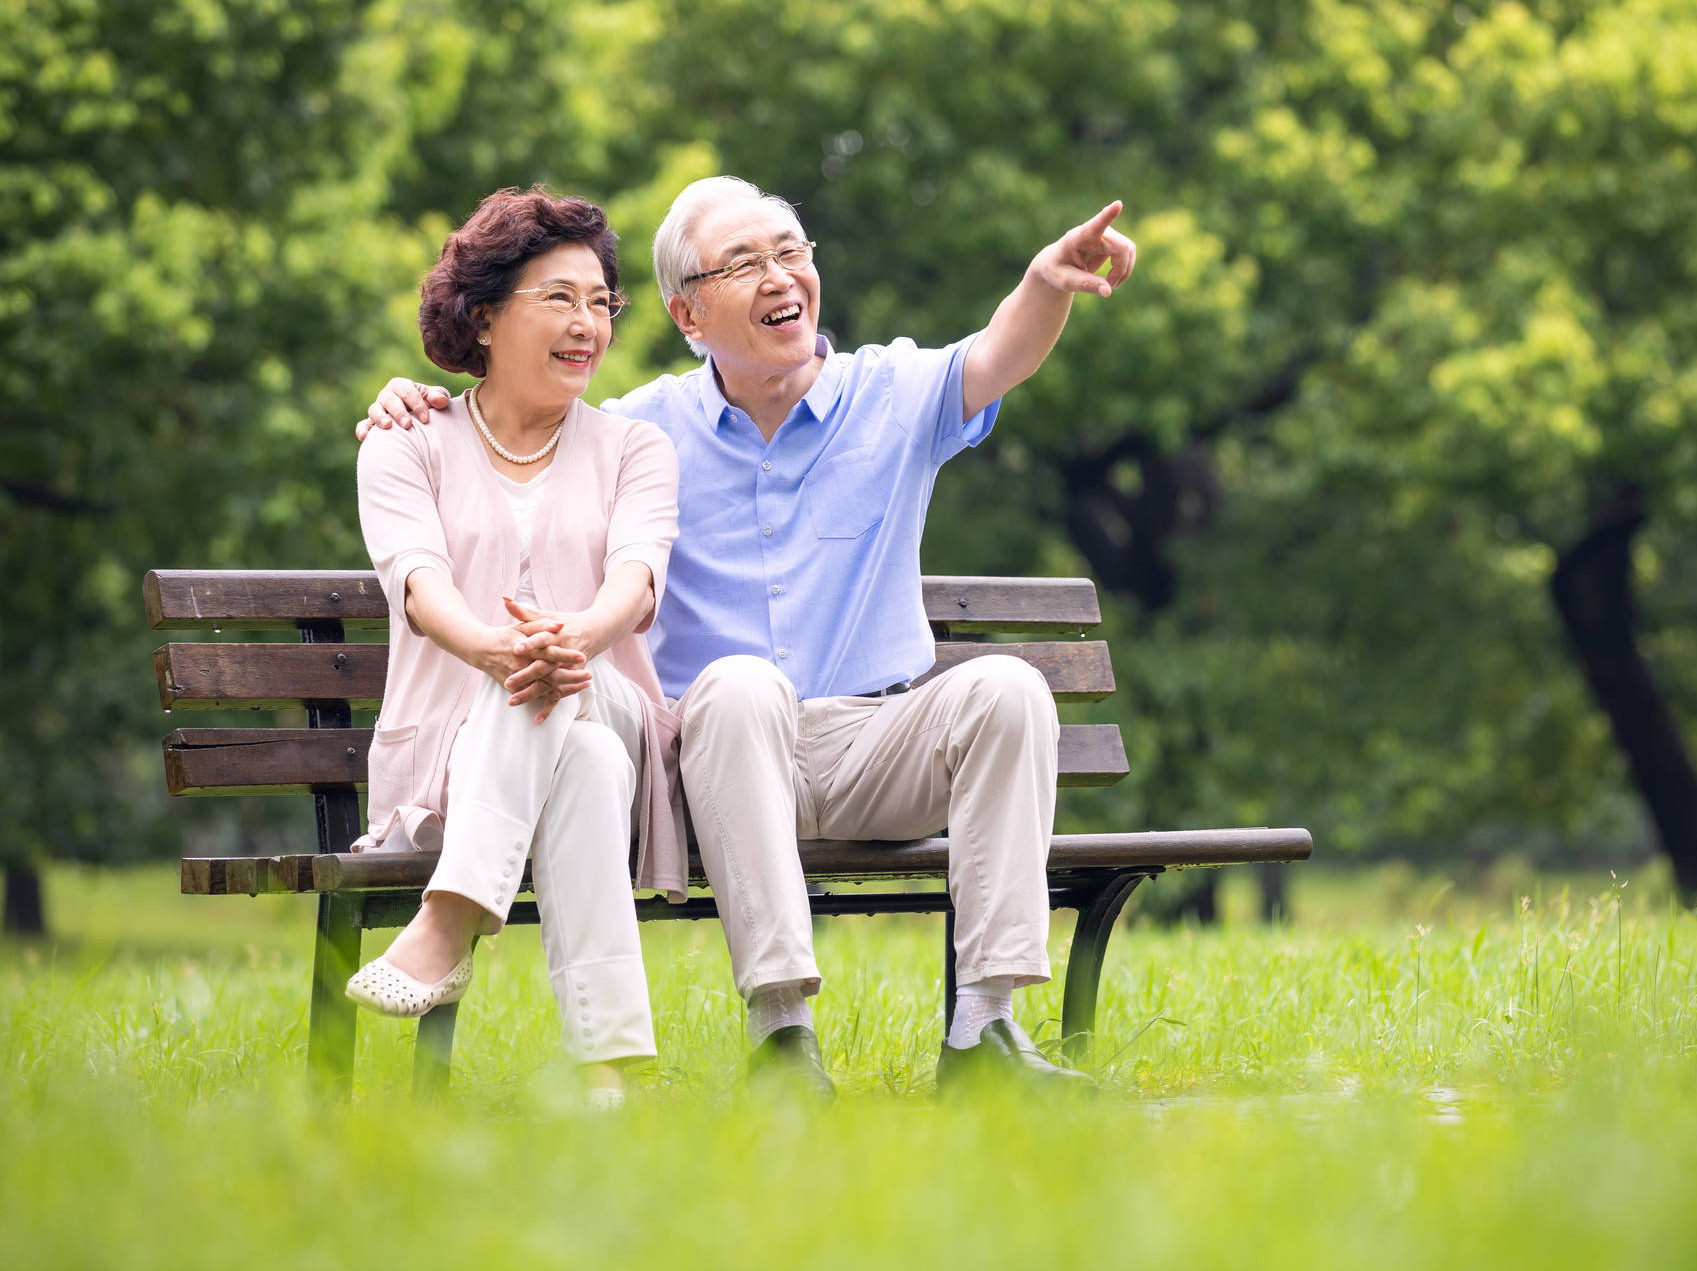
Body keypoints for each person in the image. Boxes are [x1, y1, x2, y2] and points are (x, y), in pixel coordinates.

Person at [362, 175, 1134, 1098]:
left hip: (872, 744)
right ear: (688, 315)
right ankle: (783, 1041)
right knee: (737, 685)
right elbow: (519, 423)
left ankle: (986, 1034)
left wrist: (1047, 281)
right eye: (745, 263)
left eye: (792, 253)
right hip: (714, 759)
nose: (780, 277)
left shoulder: (886, 394)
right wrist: (415, 398)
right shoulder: (640, 429)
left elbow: (1000, 355)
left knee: (1010, 689)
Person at [347, 186, 682, 1109]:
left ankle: (448, 920)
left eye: (600, 302)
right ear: (485, 316)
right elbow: (416, 584)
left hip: (607, 697)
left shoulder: (635, 449)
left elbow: (636, 577)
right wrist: (498, 651)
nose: (588, 325)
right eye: (560, 299)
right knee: (566, 738)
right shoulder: (404, 444)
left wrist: (570, 638)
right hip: (459, 761)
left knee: (558, 685)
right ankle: (606, 1077)